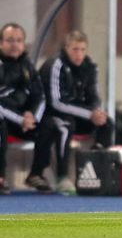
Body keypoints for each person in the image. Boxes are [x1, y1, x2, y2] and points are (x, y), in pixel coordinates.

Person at [39, 30, 114, 194]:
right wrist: (89, 114)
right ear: (66, 48)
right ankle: (62, 177)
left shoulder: (90, 66)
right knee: (66, 125)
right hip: (52, 115)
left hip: (79, 113)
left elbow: (94, 96)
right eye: (75, 49)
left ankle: (99, 168)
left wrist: (97, 112)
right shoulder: (55, 65)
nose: (79, 54)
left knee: (107, 122)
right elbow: (56, 102)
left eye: (82, 49)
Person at [0, 23, 56, 195]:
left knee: (49, 124)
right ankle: (1, 176)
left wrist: (33, 117)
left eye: (18, 40)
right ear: (1, 43)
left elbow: (40, 96)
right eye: (10, 40)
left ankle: (36, 174)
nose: (14, 44)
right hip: (5, 119)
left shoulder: (27, 66)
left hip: (23, 122)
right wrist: (20, 118)